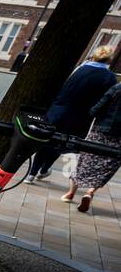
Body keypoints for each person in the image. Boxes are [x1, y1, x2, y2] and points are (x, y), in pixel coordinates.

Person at [26, 46, 118, 183]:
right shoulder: (109, 77)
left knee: (48, 140)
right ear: (109, 59)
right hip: (81, 116)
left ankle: (32, 173)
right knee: (62, 143)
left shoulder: (80, 69)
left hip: (59, 110)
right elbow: (105, 101)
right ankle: (44, 169)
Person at [62, 80, 121, 213]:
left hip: (100, 131)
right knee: (107, 166)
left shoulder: (117, 88)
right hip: (119, 139)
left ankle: (70, 193)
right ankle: (89, 192)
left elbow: (96, 110)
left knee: (85, 161)